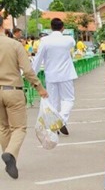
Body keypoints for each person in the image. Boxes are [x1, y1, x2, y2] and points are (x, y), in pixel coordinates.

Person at [0, 15, 48, 178]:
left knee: (3, 127)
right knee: (19, 127)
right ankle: (10, 154)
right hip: (13, 90)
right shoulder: (14, 45)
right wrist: (39, 87)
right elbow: (27, 70)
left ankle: (10, 158)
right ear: (3, 26)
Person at [33, 18, 78, 135]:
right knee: (68, 99)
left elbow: (38, 58)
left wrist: (32, 74)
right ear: (63, 28)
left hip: (51, 75)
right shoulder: (68, 40)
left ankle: (55, 124)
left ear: (51, 27)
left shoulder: (45, 41)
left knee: (52, 102)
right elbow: (73, 44)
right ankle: (61, 119)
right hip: (66, 74)